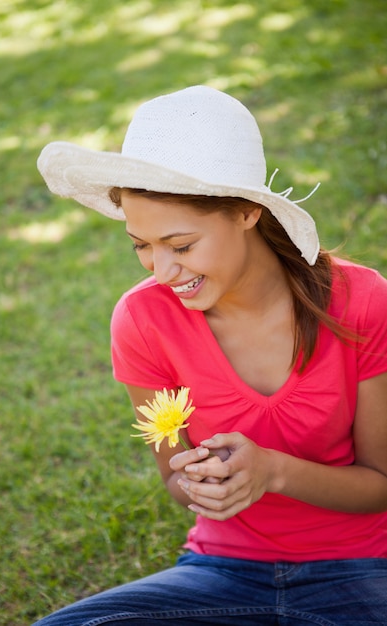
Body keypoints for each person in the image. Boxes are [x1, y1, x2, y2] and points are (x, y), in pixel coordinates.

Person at [35, 85, 387, 625]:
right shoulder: (141, 322)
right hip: (222, 572)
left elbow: (380, 485)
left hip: (364, 568)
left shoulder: (362, 301)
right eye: (141, 245)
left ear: (247, 212)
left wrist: (272, 472)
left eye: (180, 246)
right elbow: (174, 478)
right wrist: (199, 481)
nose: (161, 271)